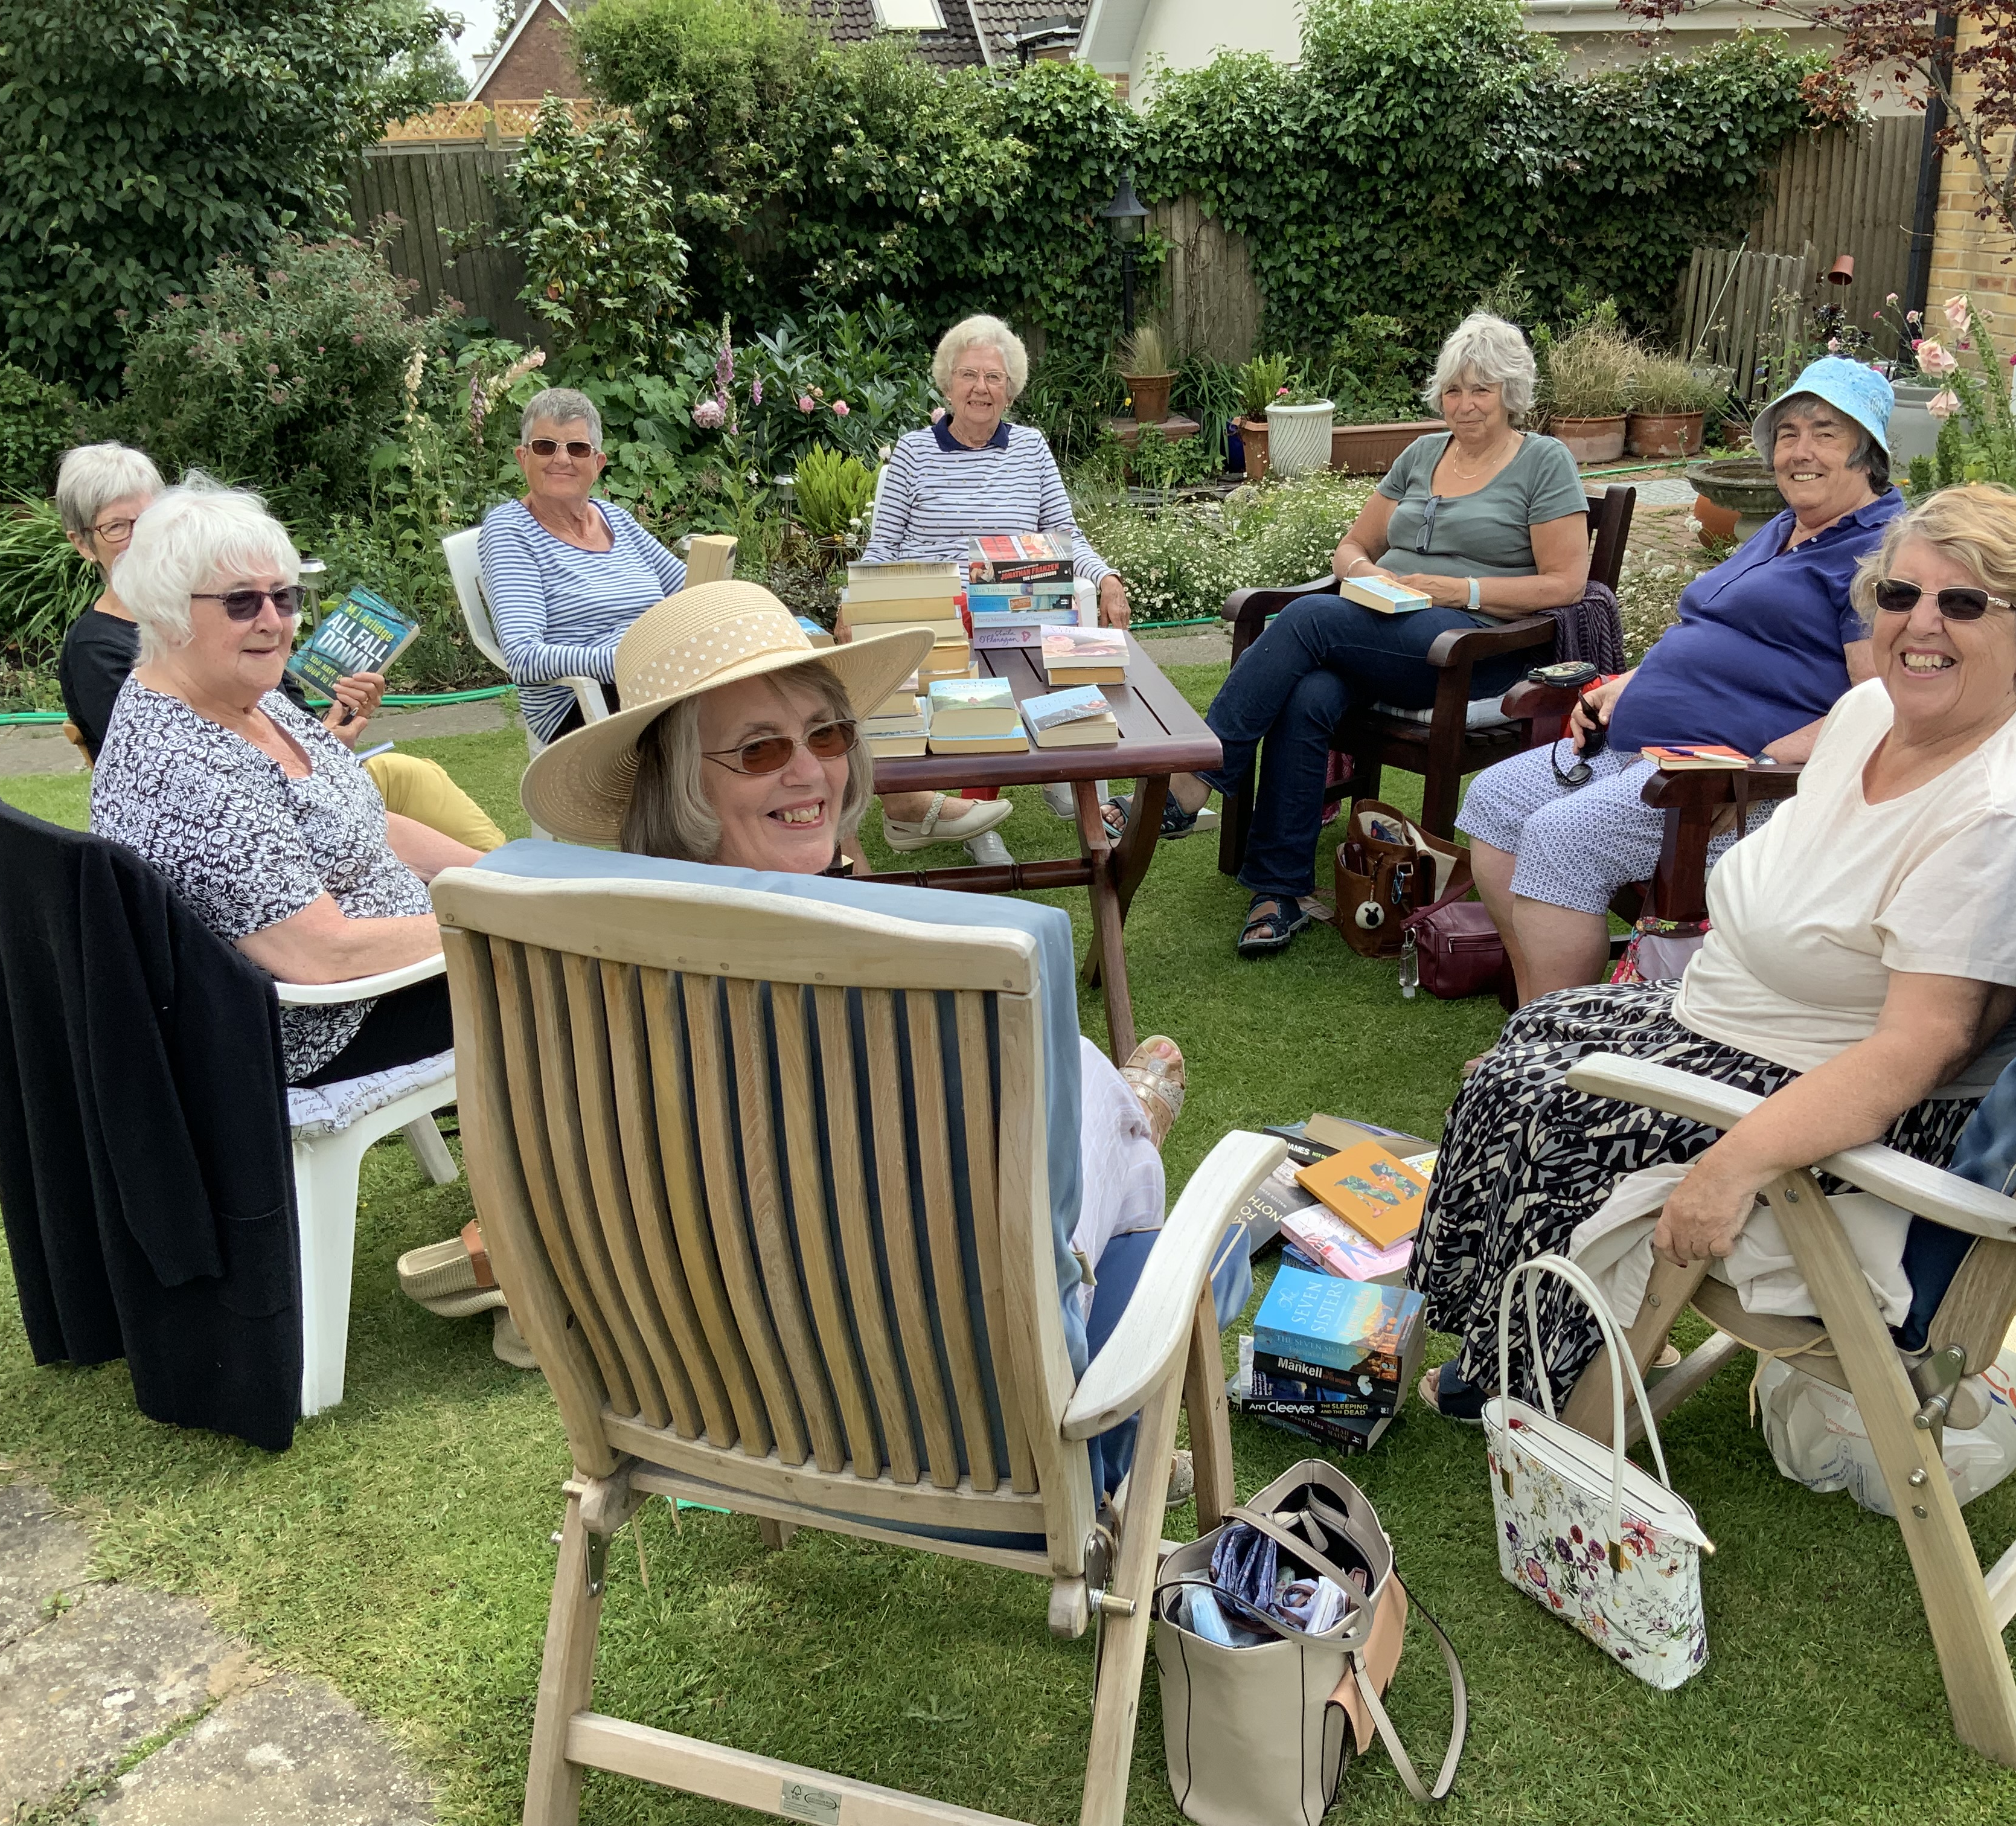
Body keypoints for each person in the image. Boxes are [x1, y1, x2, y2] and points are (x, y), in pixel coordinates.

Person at [517, 580, 1242, 1496]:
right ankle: (1127, 1151)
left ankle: (1118, 1117)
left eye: (826, 735)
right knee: (1195, 1246)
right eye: (760, 750)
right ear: (680, 781)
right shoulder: (931, 978)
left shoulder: (582, 975)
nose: (812, 771)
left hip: (727, 1415)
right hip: (974, 1444)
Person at [1409, 482, 2016, 1422]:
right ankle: (1511, 1331)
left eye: (1963, 602)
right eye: (1900, 595)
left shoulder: (2000, 811)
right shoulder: (1871, 717)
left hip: (1829, 1089)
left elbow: (1923, 1047)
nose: (1920, 624)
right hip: (1742, 1018)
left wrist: (1734, 1166)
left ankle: (1545, 1373)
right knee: (1529, 1043)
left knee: (1548, 1110)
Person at [1124, 312, 1593, 956]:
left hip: (1472, 650)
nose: (1465, 404)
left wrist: (1456, 590)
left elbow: (1566, 584)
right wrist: (1371, 576)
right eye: (1454, 389)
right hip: (1389, 627)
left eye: (1481, 389)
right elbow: (1353, 546)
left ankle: (1197, 774)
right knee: (1312, 691)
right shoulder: (1423, 453)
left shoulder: (1543, 462)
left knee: (1312, 619)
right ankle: (1279, 890)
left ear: (1511, 391)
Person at [1459, 357, 1901, 1004]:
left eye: (1826, 433)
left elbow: (1878, 704)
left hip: (1714, 775)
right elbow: (1714, 633)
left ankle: (1563, 1035)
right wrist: (1626, 684)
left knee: (1561, 838)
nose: (1801, 452)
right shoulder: (1786, 529)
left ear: (1868, 454)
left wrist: (1762, 763)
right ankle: (1533, 1019)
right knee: (1496, 801)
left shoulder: (1877, 553)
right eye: (1788, 434)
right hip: (1639, 742)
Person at [90, 479, 484, 1086]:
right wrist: (505, 921)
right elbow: (319, 955)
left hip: (384, 971)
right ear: (167, 611)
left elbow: (366, 826)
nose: (273, 621)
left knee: (600, 938)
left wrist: (500, 877)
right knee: (598, 973)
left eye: (285, 596)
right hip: (325, 1024)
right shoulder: (186, 767)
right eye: (241, 603)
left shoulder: (248, 697)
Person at [56, 443, 504, 852]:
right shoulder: (104, 652)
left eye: (151, 519)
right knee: (412, 791)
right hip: (262, 812)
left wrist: (333, 726)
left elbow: (283, 709)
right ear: (83, 543)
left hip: (306, 780)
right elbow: (184, 764)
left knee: (417, 782)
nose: (141, 539)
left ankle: (522, 886)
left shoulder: (239, 628)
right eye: (118, 527)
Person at [852, 313, 1130, 852]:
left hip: (1019, 603)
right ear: (948, 382)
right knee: (979, 667)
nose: (981, 388)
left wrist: (1108, 576)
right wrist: (857, 601)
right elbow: (881, 551)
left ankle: (1056, 771)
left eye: (994, 378)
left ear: (1010, 389)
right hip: (938, 611)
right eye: (969, 376)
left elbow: (1066, 535)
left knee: (1044, 645)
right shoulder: (913, 453)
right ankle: (980, 812)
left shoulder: (1031, 449)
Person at [477, 387, 690, 746]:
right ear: (522, 457)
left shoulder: (616, 520)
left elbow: (694, 590)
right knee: (730, 713)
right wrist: (628, 660)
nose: (562, 460)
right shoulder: (510, 530)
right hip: (580, 703)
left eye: (577, 448)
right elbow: (524, 657)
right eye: (546, 446)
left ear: (598, 464)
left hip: (658, 676)